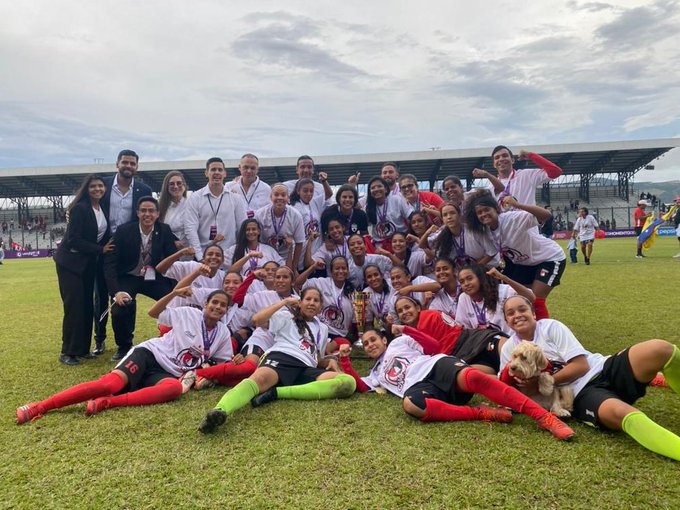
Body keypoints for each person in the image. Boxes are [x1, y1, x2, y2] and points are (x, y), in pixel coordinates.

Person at [17, 288, 237, 424]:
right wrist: (174, 294)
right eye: (214, 302)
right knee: (108, 385)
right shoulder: (189, 313)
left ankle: (109, 404)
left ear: (226, 310)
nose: (217, 307)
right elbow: (153, 313)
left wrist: (222, 366)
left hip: (167, 372)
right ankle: (41, 406)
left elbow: (221, 363)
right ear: (205, 304)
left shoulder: (223, 333)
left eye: (222, 305)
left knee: (173, 389)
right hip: (149, 355)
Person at [500, 295, 680, 460]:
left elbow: (581, 365)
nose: (517, 315)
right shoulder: (509, 349)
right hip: (580, 394)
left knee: (661, 349)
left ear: (533, 313)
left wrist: (546, 380)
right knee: (621, 413)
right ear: (507, 321)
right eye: (510, 313)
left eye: (522, 309)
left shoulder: (550, 327)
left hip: (601, 366)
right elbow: (511, 387)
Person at [335, 327, 574, 440]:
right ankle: (479, 413)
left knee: (474, 377)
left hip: (435, 366)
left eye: (373, 339)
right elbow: (362, 386)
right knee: (411, 405)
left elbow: (432, 346)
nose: (370, 345)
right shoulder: (376, 373)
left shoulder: (399, 342)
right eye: (365, 344)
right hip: (419, 387)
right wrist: (345, 362)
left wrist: (406, 329)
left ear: (383, 338)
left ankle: (544, 417)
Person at [198, 289, 357, 434]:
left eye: (316, 300)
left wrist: (331, 362)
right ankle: (220, 410)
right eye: (308, 299)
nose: (311, 303)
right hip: (282, 358)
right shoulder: (287, 317)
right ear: (300, 302)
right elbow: (257, 320)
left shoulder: (322, 328)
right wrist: (284, 302)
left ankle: (276, 393)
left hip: (305, 367)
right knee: (257, 380)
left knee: (347, 383)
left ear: (321, 306)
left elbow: (316, 358)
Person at [464, 190, 565, 320]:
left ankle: (543, 335)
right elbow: (491, 252)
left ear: (495, 208)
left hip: (548, 258)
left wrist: (518, 205)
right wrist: (472, 270)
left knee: (535, 300)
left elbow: (546, 215)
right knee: (520, 299)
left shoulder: (512, 219)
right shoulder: (486, 232)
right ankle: (525, 330)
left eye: (486, 209)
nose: (483, 214)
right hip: (523, 264)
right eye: (479, 212)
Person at [103, 197, 178, 360]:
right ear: (137, 213)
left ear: (158, 214)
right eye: (143, 210)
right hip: (129, 276)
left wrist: (174, 287)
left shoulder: (164, 230)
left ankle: (175, 339)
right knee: (120, 306)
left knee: (175, 300)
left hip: (153, 276)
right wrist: (116, 292)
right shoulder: (124, 231)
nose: (147, 214)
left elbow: (173, 258)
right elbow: (110, 263)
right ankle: (124, 346)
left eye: (151, 210)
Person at [95, 149, 153, 356]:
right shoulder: (102, 184)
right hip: (104, 246)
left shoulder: (143, 189)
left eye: (132, 163)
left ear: (137, 166)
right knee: (101, 294)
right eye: (124, 162)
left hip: (129, 247)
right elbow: (90, 204)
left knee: (128, 290)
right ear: (117, 163)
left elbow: (148, 214)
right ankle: (99, 339)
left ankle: (126, 340)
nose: (128, 166)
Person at [53, 174, 114, 365]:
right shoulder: (80, 209)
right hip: (70, 264)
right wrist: (100, 249)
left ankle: (83, 349)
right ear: (86, 189)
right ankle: (68, 352)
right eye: (93, 186)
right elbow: (73, 239)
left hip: (87, 264)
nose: (97, 189)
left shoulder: (101, 208)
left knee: (87, 306)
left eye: (101, 186)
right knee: (74, 307)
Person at [184, 157, 248, 261]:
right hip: (204, 255)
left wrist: (239, 253)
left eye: (220, 170)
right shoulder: (195, 198)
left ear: (225, 173)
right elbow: (190, 229)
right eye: (213, 170)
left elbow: (242, 228)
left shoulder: (236, 198)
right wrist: (200, 256)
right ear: (206, 173)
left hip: (229, 255)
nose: (217, 172)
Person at [456, 264, 534, 336]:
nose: (466, 284)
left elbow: (531, 297)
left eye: (469, 279)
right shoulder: (463, 298)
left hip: (511, 340)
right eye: (462, 282)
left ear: (481, 278)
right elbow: (462, 327)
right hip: (484, 344)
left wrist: (504, 278)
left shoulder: (503, 291)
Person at [486, 146, 562, 207]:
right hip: (505, 226)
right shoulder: (491, 188)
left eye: (505, 156)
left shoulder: (527, 175)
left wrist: (531, 155)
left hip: (528, 226)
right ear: (494, 164)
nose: (501, 159)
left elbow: (555, 172)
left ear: (512, 160)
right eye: (497, 157)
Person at [254, 184, 305, 271]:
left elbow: (299, 243)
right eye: (276, 194)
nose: (280, 198)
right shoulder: (260, 214)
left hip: (287, 257)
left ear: (288, 198)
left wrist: (294, 266)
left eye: (283, 195)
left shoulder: (295, 215)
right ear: (271, 197)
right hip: (266, 256)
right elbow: (255, 240)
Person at [365, 176, 414, 250]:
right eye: (373, 188)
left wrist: (409, 235)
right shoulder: (368, 207)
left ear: (385, 189)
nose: (376, 189)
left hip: (399, 242)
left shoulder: (396, 200)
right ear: (370, 192)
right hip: (380, 246)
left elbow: (412, 217)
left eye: (379, 186)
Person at [291, 178, 325, 271]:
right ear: (298, 191)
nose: (309, 194)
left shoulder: (313, 203)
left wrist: (325, 182)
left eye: (311, 191)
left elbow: (328, 195)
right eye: (305, 191)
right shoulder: (294, 208)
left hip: (314, 251)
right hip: (300, 252)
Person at [158, 171, 189, 250]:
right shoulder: (159, 207)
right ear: (166, 187)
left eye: (179, 183)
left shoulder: (193, 205)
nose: (175, 186)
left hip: (190, 252)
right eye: (171, 184)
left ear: (184, 185)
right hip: (167, 251)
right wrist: (172, 242)